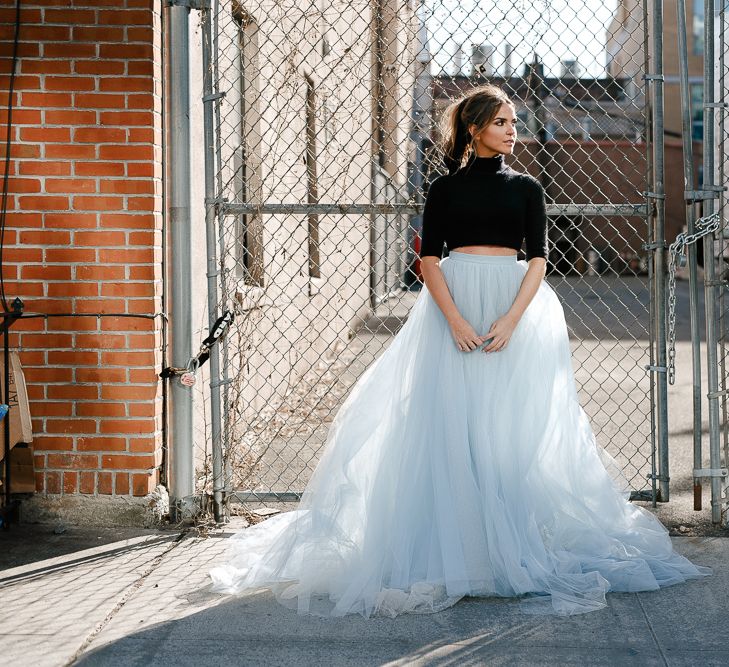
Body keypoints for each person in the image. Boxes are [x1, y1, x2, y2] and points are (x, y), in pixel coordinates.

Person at [209, 84, 710, 618]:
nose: (513, 131)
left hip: (516, 309)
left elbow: (538, 260)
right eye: (501, 123)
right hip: (452, 307)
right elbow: (428, 260)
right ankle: (460, 546)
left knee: (508, 425)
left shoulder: (527, 189)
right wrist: (454, 321)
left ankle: (507, 538)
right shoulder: (445, 189)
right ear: (474, 129)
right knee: (452, 422)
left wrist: (510, 320)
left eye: (515, 123)